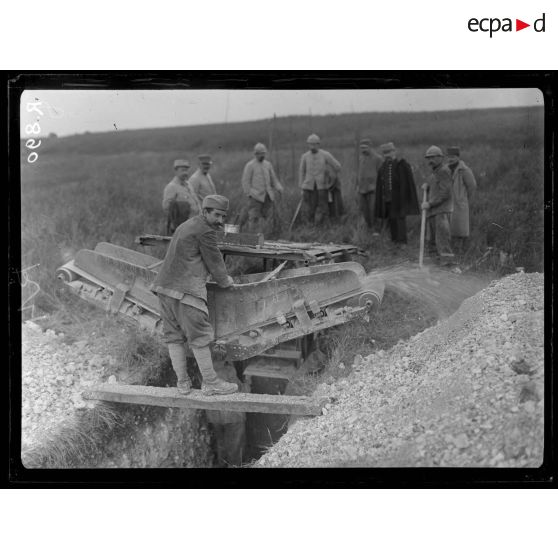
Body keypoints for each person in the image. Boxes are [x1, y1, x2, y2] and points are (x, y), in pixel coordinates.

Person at [150, 194, 238, 396]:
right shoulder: (205, 231)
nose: (220, 221)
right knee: (199, 337)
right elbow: (215, 261)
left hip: (164, 289)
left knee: (174, 337)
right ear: (205, 211)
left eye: (223, 217)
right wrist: (227, 282)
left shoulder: (186, 225)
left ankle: (182, 383)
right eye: (217, 215)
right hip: (186, 292)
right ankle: (211, 383)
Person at [375, 142, 420, 244]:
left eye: (389, 152)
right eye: (385, 153)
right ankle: (394, 241)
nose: (387, 155)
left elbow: (407, 183)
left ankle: (402, 242)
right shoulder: (383, 167)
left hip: (399, 200)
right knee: (391, 221)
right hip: (387, 199)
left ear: (394, 152)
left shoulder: (401, 165)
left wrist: (405, 199)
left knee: (400, 221)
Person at [422, 145, 455, 264]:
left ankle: (448, 266)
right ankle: (436, 268)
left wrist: (430, 204)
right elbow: (435, 189)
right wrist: (427, 186)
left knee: (442, 241)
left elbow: (445, 193)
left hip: (441, 212)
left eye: (433, 157)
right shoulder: (433, 174)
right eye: (428, 158)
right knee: (431, 241)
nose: (430, 160)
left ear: (440, 158)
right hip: (432, 213)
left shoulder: (444, 171)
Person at [298, 134, 342, 225]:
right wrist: (301, 187)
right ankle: (310, 226)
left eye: (314, 144)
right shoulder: (305, 156)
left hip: (322, 187)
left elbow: (337, 167)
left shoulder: (325, 155)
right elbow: (301, 172)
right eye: (310, 144)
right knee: (310, 208)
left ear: (318, 144)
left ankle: (324, 226)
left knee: (323, 207)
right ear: (308, 144)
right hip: (308, 187)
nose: (312, 147)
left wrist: (330, 176)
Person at [241, 142, 284, 232]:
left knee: (269, 217)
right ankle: (252, 238)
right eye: (260, 153)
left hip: (268, 196)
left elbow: (273, 179)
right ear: (255, 154)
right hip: (255, 197)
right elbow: (245, 182)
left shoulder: (268, 165)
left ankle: (268, 236)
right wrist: (249, 194)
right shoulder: (250, 165)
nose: (262, 155)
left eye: (263, 153)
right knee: (254, 218)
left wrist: (279, 187)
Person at [446, 146, 477, 255]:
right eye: (449, 157)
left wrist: (463, 199)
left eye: (453, 157)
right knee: (448, 232)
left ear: (458, 157)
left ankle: (459, 257)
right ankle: (450, 257)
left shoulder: (465, 170)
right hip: (447, 205)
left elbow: (472, 186)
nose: (451, 159)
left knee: (459, 233)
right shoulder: (445, 169)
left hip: (460, 206)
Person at [162, 159, 201, 235]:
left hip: (193, 225)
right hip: (180, 229)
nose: (185, 173)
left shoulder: (188, 185)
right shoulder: (171, 187)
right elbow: (166, 208)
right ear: (176, 171)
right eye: (182, 170)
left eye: (186, 170)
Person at [356, 138, 384, 231]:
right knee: (364, 211)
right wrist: (357, 186)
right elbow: (359, 173)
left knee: (374, 211)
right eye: (362, 148)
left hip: (373, 189)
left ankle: (376, 230)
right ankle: (369, 228)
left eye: (365, 147)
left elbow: (382, 175)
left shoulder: (378, 158)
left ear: (370, 147)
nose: (363, 150)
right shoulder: (361, 158)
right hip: (361, 189)